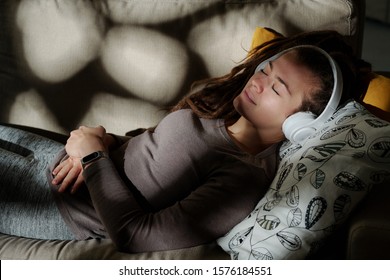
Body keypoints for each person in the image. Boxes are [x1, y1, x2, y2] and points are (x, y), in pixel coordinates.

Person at [0, 30, 369, 253]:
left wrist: (93, 155)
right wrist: (102, 140)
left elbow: (135, 235)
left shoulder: (244, 177)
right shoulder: (222, 115)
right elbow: (147, 153)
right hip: (58, 158)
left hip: (53, 204)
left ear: (301, 124)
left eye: (277, 87)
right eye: (267, 69)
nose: (258, 81)